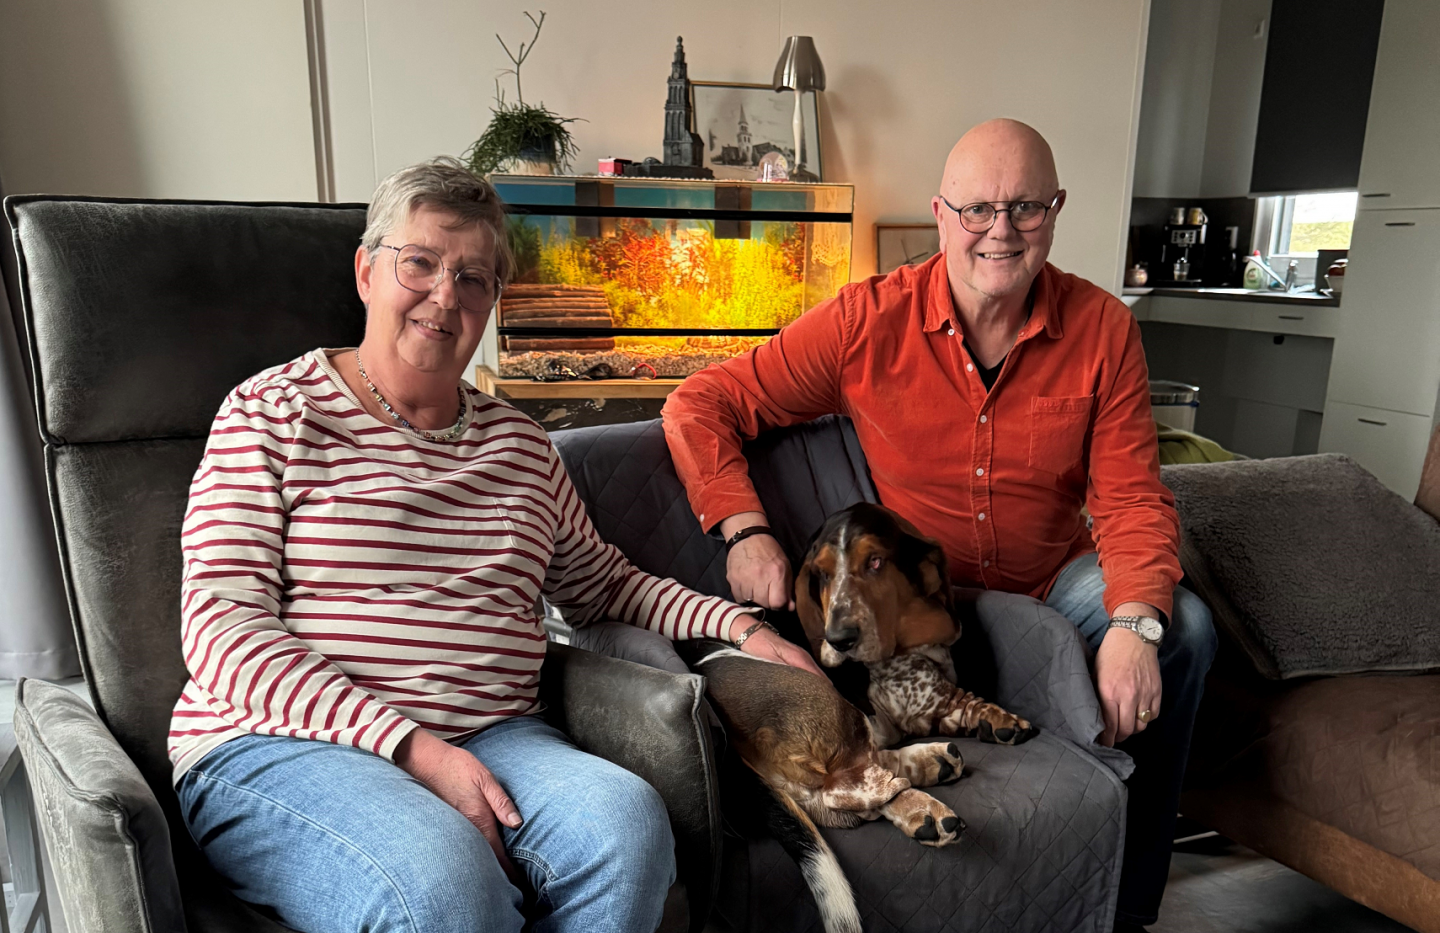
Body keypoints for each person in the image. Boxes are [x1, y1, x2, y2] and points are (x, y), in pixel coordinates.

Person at [169, 157, 819, 933]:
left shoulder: (520, 446)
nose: (445, 296)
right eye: (420, 262)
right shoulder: (270, 412)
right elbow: (222, 630)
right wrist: (412, 748)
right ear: (367, 272)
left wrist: (739, 626)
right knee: (442, 883)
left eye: (473, 278)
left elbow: (604, 586)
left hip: (495, 732)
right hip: (280, 740)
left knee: (625, 827)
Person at [661, 119, 1217, 931]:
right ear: (940, 214)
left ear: (1056, 211)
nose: (1001, 230)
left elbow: (1132, 497)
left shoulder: (1104, 329)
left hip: (1052, 584)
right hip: (925, 599)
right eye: (977, 209)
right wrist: (745, 528)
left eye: (1025, 207)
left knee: (1185, 629)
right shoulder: (866, 321)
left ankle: (1124, 904)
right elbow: (702, 401)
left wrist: (1136, 624)